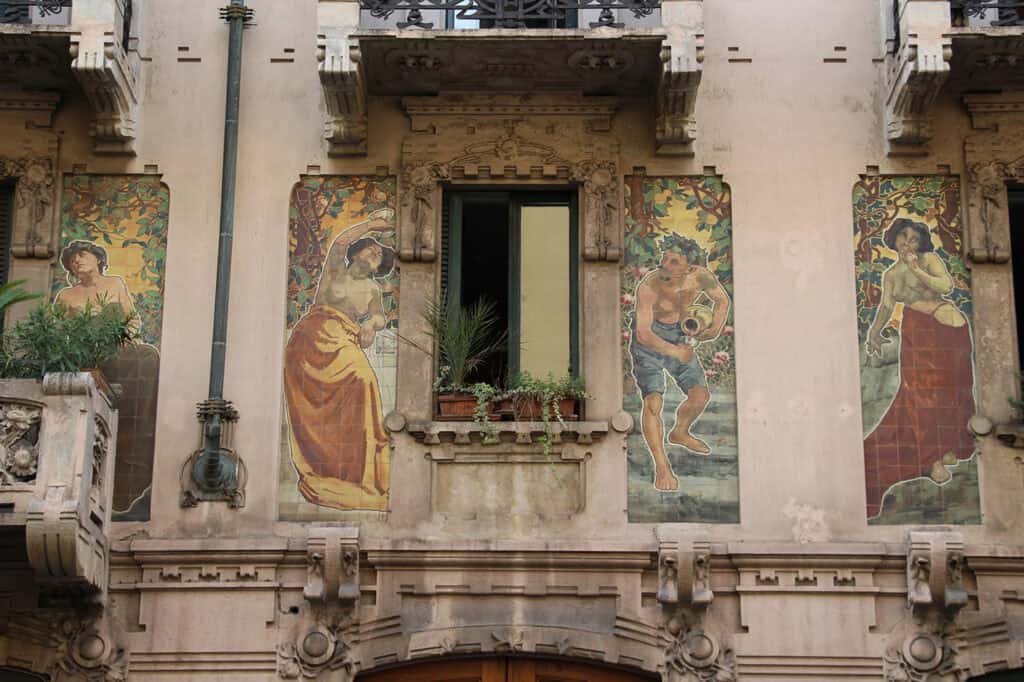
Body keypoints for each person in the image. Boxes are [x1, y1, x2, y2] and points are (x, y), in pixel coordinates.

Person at [284, 209, 396, 511]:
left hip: (343, 340)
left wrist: (371, 325)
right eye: (371, 248)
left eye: (379, 254)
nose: (375, 252)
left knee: (364, 380)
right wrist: (372, 225)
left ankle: (357, 473)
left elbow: (379, 316)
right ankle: (322, 465)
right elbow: (339, 242)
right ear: (357, 253)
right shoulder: (335, 269)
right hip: (310, 339)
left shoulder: (373, 288)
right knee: (313, 406)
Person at [863, 218, 975, 517]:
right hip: (919, 331)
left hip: (950, 329)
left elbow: (946, 286)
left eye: (913, 238)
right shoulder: (891, 275)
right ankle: (931, 459)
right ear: (894, 240)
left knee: (954, 388)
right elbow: (887, 307)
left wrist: (916, 268)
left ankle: (950, 445)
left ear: (921, 241)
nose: (907, 243)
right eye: (902, 238)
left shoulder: (929, 259)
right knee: (921, 395)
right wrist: (874, 334)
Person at [630, 234, 730, 491]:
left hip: (679, 333)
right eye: (665, 258)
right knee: (653, 402)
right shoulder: (649, 286)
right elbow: (643, 333)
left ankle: (680, 432)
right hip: (649, 342)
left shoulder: (701, 277)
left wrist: (716, 327)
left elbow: (721, 300)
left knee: (700, 396)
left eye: (675, 261)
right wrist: (675, 352)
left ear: (691, 267)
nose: (666, 264)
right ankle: (662, 468)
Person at [55, 240, 136, 317]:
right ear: (71, 269)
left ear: (98, 259)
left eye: (82, 255)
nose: (77, 260)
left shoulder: (115, 283)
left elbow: (132, 318)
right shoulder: (65, 295)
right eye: (72, 261)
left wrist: (129, 331)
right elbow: (55, 326)